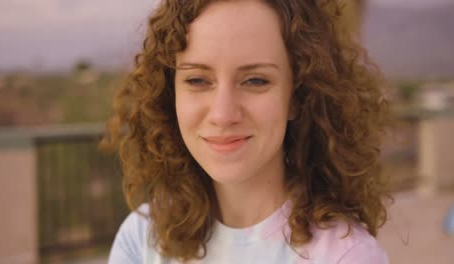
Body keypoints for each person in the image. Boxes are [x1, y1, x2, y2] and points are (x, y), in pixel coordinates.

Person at [105, 0, 390, 263]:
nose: (223, 114)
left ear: (298, 96)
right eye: (197, 80)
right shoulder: (141, 239)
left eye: (255, 80)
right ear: (171, 94)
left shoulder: (345, 256)